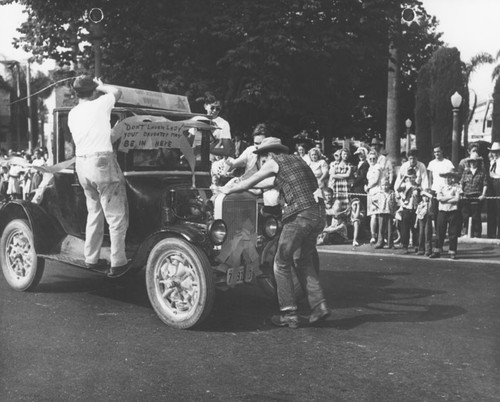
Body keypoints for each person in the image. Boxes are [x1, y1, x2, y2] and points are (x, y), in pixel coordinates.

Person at [221, 137, 330, 328]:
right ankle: (319, 306)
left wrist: (226, 188)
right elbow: (269, 183)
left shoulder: (273, 162)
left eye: (261, 157)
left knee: (281, 262)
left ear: (267, 154)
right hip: (318, 214)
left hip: (300, 215)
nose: (261, 162)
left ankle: (288, 313)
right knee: (303, 260)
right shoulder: (297, 160)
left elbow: (248, 183)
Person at [67, 75, 129, 277]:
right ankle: (118, 262)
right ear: (93, 91)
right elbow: (118, 92)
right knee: (116, 216)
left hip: (82, 164)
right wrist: (103, 86)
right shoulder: (100, 104)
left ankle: (91, 258)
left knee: (94, 212)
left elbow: (101, 136)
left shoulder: (73, 113)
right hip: (101, 162)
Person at [430, 168, 462, 259]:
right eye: (446, 177)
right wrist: (450, 197)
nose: (448, 179)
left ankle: (452, 251)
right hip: (442, 211)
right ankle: (437, 251)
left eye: (450, 177)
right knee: (440, 232)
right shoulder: (441, 186)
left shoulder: (457, 186)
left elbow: (457, 199)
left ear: (453, 178)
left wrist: (445, 198)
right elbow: (439, 198)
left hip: (453, 212)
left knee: (453, 232)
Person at [460, 153, 487, 238]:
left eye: (474, 161)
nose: (472, 163)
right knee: (465, 215)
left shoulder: (482, 172)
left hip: (476, 196)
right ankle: (465, 233)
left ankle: (477, 234)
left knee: (476, 216)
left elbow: (485, 184)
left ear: (477, 162)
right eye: (471, 161)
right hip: (466, 196)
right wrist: (460, 192)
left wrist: (483, 194)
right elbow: (461, 184)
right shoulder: (465, 172)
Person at [427, 144, 455, 224]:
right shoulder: (431, 163)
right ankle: (437, 231)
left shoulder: (448, 163)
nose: (436, 153)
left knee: (446, 210)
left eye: (438, 151)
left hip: (446, 190)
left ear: (442, 151)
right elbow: (430, 178)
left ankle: (446, 230)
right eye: (435, 152)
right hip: (435, 189)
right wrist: (429, 189)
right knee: (435, 211)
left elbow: (452, 176)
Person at [396, 168, 421, 253]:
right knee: (405, 229)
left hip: (414, 209)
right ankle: (405, 246)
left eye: (413, 177)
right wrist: (403, 178)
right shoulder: (405, 185)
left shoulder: (417, 186)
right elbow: (397, 188)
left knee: (415, 228)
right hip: (406, 208)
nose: (411, 179)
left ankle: (416, 245)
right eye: (410, 177)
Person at [365, 150, 383, 244]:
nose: (372, 160)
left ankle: (379, 235)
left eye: (374, 158)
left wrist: (367, 187)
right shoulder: (370, 167)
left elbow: (376, 180)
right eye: (370, 158)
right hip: (371, 192)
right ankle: (373, 235)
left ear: (377, 159)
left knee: (376, 215)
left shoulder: (378, 167)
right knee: (372, 215)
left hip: (377, 192)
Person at [374, 178, 397, 249]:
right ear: (381, 185)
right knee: (381, 228)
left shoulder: (392, 193)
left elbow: (395, 202)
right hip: (381, 212)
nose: (385, 187)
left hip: (389, 212)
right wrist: (377, 207)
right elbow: (373, 200)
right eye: (383, 185)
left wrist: (394, 210)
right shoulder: (379, 193)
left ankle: (390, 243)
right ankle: (380, 242)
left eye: (386, 185)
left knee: (390, 228)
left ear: (389, 185)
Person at [415, 189, 434, 256]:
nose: (425, 198)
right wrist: (415, 222)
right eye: (423, 196)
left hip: (427, 219)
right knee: (421, 234)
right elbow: (417, 213)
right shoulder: (420, 203)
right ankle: (421, 249)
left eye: (426, 197)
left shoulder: (429, 203)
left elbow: (432, 197)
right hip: (421, 219)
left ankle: (428, 250)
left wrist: (426, 193)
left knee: (427, 234)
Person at [487, 142, 500, 238]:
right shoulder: (491, 161)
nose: (495, 153)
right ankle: (490, 233)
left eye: (496, 151)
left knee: (499, 207)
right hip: (491, 183)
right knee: (490, 208)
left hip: (498, 182)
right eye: (493, 151)